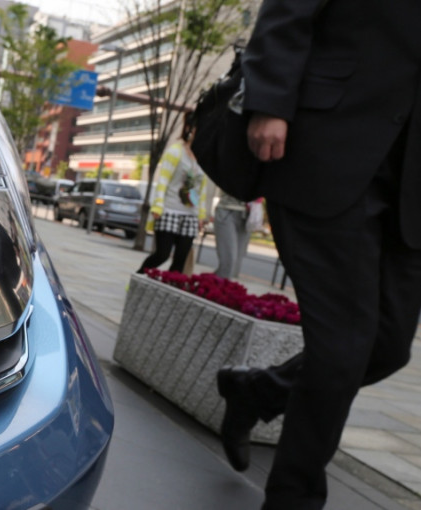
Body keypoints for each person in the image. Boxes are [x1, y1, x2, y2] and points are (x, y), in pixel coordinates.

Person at [216, 1, 421, 509]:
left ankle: (256, 392)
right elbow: (289, 9)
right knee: (341, 350)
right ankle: (294, 497)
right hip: (327, 149)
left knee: (387, 347)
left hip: (409, 189)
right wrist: (269, 101)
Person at [137, 113, 208, 274]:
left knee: (180, 260)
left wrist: (201, 215)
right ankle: (138, 277)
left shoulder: (203, 157)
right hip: (169, 210)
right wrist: (158, 206)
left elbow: (202, 190)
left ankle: (170, 286)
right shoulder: (175, 151)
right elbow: (163, 180)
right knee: (162, 254)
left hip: (190, 214)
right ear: (189, 128)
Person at [213, 191, 252, 279]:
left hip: (247, 214)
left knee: (235, 267)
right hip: (226, 209)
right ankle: (212, 285)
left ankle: (213, 283)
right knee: (229, 260)